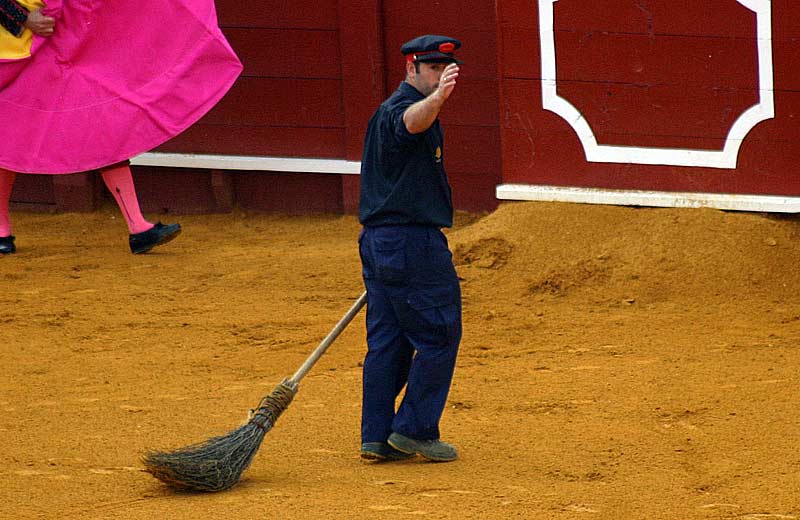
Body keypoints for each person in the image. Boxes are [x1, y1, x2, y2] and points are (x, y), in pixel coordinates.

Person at [0, 0, 243, 255]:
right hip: (16, 43)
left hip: (65, 33)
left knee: (101, 123)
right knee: (9, 131)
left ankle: (138, 227)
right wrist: (21, 19)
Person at [358, 34, 464, 462]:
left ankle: (376, 436)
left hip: (382, 243)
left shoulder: (395, 110)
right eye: (432, 68)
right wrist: (438, 97)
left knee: (389, 340)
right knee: (438, 334)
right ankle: (416, 430)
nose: (439, 75)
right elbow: (411, 123)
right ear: (411, 69)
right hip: (411, 244)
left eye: (444, 69)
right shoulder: (400, 110)